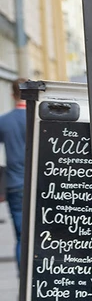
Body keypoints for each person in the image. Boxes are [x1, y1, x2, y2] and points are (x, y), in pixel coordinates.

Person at [0, 78, 27, 269]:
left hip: (14, 183)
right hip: (44, 185)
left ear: (12, 95)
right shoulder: (42, 118)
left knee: (21, 237)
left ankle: (23, 285)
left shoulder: (4, 121)